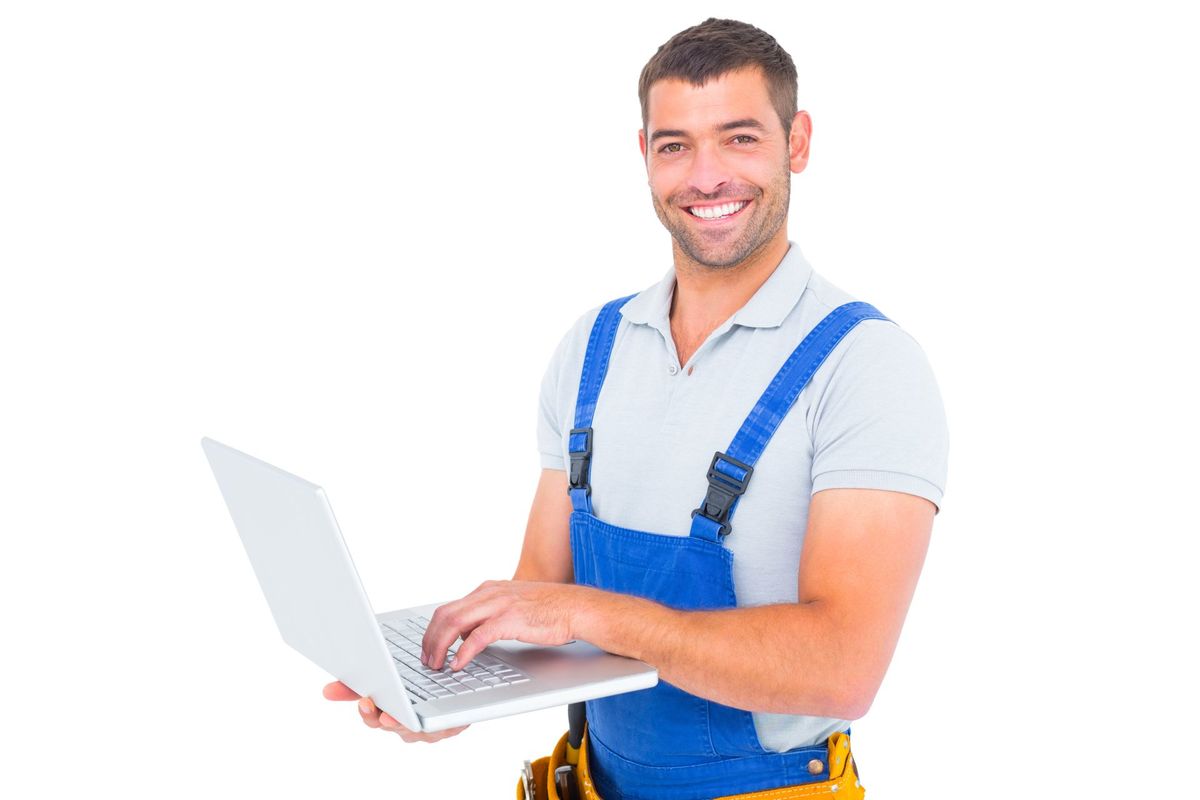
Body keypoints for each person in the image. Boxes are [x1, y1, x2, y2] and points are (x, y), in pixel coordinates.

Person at [325, 17, 948, 799]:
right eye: (675, 145)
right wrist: (448, 690)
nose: (706, 177)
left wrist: (592, 614)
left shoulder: (866, 366)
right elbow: (542, 594)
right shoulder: (594, 348)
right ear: (646, 155)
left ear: (797, 143)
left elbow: (841, 669)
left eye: (740, 138)